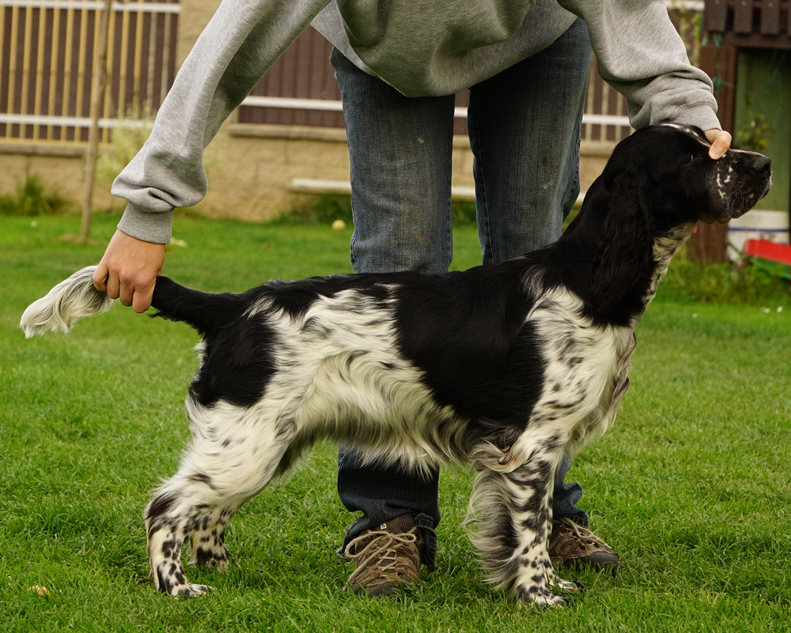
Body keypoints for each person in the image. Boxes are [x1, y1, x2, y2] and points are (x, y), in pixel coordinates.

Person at [93, 0, 732, 598]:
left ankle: (542, 518)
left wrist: (684, 110)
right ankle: (389, 521)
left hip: (536, 31)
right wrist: (151, 204)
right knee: (400, 250)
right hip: (385, 51)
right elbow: (230, 43)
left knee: (539, 257)